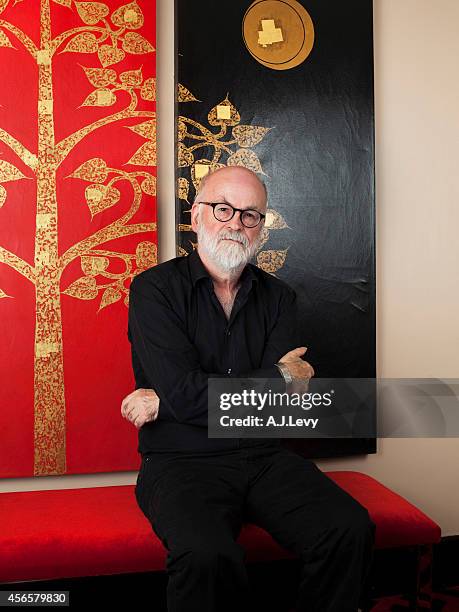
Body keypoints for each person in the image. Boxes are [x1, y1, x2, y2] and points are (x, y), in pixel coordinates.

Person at [121, 166, 375, 612]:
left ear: (262, 227)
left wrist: (169, 401)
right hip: (181, 461)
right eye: (224, 209)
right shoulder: (153, 290)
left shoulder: (280, 298)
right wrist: (274, 378)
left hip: (263, 456)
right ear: (197, 215)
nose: (236, 223)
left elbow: (274, 408)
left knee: (348, 527)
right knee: (206, 556)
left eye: (251, 215)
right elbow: (261, 387)